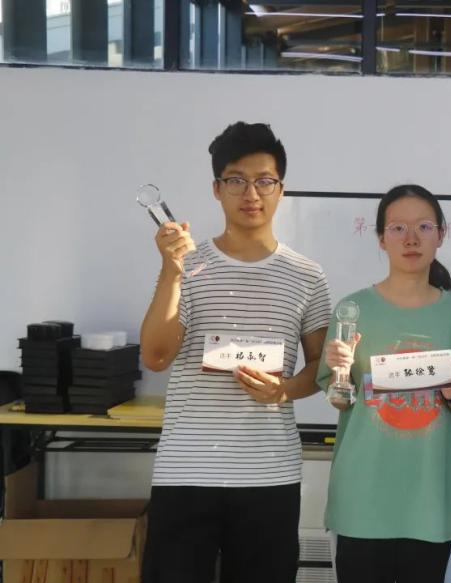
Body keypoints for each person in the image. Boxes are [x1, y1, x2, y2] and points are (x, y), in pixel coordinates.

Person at [139, 121, 331, 583]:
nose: (251, 193)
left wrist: (283, 391)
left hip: (269, 474)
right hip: (186, 471)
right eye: (236, 180)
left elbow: (322, 368)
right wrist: (172, 271)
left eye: (264, 181)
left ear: (281, 189)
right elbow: (156, 356)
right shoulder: (186, 265)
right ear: (216, 189)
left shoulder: (307, 276)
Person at [318, 184, 451, 583]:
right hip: (362, 497)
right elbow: (339, 398)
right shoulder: (352, 309)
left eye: (424, 226)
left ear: (441, 235)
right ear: (381, 238)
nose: (411, 238)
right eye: (397, 228)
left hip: (429, 499)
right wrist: (341, 375)